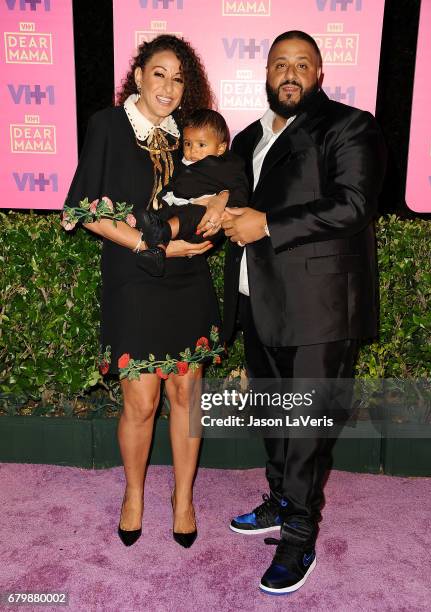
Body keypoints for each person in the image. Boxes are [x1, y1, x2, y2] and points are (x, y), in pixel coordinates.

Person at [222, 30, 387, 594]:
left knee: (306, 427)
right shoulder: (246, 137)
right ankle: (278, 500)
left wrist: (266, 223)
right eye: (279, 64)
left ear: (319, 74)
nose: (289, 73)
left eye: (302, 64)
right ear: (266, 73)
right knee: (271, 415)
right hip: (256, 300)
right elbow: (226, 202)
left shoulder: (348, 125)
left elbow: (356, 204)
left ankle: (299, 537)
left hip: (320, 309)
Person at [63, 35, 228, 549]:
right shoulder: (108, 126)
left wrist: (217, 213)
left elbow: (224, 186)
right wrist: (152, 249)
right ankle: (133, 494)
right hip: (135, 274)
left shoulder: (189, 136)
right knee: (141, 397)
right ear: (137, 76)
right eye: (159, 73)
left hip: (187, 279)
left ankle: (183, 499)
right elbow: (87, 212)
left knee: (186, 393)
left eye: (179, 78)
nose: (169, 86)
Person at [135, 108, 249, 276]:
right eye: (188, 143)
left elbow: (240, 193)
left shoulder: (228, 166)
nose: (193, 150)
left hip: (204, 224)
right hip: (180, 212)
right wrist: (164, 197)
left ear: (220, 148)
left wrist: (222, 200)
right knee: (163, 211)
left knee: (194, 212)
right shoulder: (182, 162)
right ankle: (157, 252)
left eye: (201, 145)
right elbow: (172, 184)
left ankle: (162, 231)